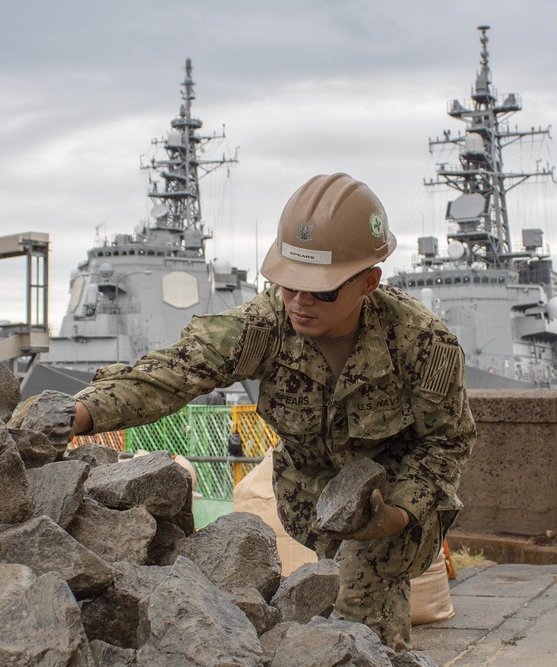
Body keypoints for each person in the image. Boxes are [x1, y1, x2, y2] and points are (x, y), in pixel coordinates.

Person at [69, 172, 476, 651]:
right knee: (330, 600)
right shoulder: (265, 325)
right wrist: (76, 415)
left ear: (369, 282)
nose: (300, 303)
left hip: (393, 493)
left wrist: (400, 515)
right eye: (287, 285)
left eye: (321, 291)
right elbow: (174, 373)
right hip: (307, 490)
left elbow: (445, 441)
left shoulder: (421, 343)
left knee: (365, 597)